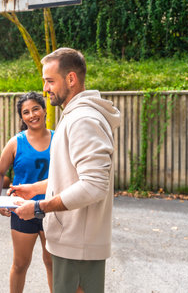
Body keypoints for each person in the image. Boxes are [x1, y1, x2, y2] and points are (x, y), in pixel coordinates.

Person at [12, 48, 121, 293]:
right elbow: (73, 177)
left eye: (50, 81)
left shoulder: (83, 119)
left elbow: (93, 185)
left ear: (71, 79)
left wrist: (40, 207)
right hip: (73, 244)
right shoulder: (75, 115)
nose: (45, 89)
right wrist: (36, 189)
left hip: (77, 247)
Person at [0, 92, 54, 293]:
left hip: (52, 209)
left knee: (52, 263)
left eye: (36, 109)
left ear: (44, 110)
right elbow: (0, 172)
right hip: (21, 211)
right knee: (20, 264)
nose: (32, 115)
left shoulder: (58, 139)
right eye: (26, 112)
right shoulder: (15, 142)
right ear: (22, 117)